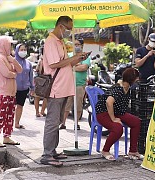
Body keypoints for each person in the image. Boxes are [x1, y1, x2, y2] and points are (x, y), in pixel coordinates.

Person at [40, 16, 90, 167]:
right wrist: (73, 58)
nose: (69, 32)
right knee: (52, 122)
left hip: (63, 87)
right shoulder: (50, 42)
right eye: (68, 29)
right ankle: (47, 154)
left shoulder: (59, 42)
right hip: (56, 88)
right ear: (61, 26)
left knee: (58, 121)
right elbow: (55, 64)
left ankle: (53, 151)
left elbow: (64, 64)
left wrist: (78, 58)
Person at [96, 68, 143, 161]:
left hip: (118, 112)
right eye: (136, 78)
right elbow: (109, 102)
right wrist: (113, 119)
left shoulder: (127, 87)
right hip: (103, 112)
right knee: (117, 128)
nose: (137, 80)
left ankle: (133, 151)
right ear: (132, 79)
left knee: (136, 122)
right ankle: (105, 151)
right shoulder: (118, 88)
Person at [0, 36, 22, 147]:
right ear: (4, 45)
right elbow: (7, 73)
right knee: (0, 115)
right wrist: (14, 74)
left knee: (9, 116)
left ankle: (7, 137)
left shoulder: (8, 58)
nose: (11, 47)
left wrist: (13, 60)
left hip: (11, 92)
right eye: (10, 44)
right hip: (2, 92)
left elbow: (20, 70)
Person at [60, 37, 90, 130]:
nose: (76, 46)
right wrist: (76, 65)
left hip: (80, 84)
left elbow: (84, 67)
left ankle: (76, 123)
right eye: (75, 44)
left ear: (82, 46)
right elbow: (65, 67)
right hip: (69, 84)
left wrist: (73, 65)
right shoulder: (69, 55)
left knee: (78, 105)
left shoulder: (85, 56)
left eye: (78, 45)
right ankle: (63, 123)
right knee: (66, 105)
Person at [14, 43, 34, 129]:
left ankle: (17, 123)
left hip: (24, 88)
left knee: (20, 105)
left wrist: (32, 88)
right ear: (17, 51)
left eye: (24, 50)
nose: (23, 51)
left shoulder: (28, 63)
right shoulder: (13, 61)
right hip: (13, 88)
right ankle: (9, 122)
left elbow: (31, 76)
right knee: (11, 106)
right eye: (21, 50)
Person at [34, 47, 47, 117]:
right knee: (45, 97)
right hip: (46, 79)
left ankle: (37, 112)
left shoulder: (40, 60)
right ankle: (42, 111)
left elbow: (37, 70)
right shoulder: (44, 60)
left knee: (37, 96)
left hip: (40, 79)